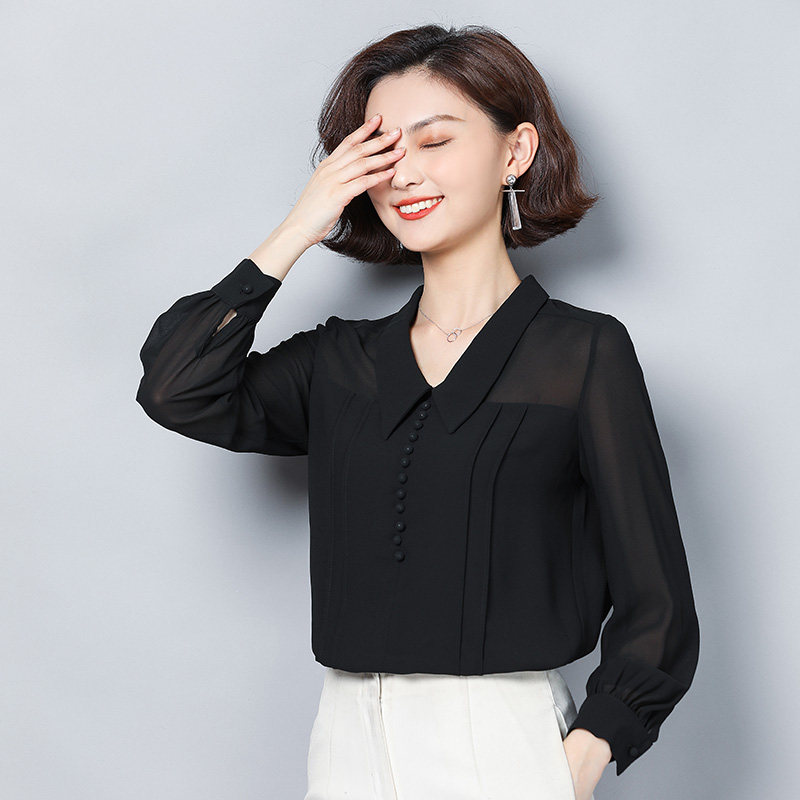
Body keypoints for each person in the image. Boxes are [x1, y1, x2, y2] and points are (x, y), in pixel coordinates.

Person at [136, 23, 700, 800]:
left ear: (515, 151)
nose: (404, 173)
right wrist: (300, 226)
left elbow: (658, 601)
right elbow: (175, 386)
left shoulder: (581, 355)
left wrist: (578, 758)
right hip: (346, 743)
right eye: (381, 151)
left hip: (501, 745)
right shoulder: (340, 361)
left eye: (435, 141)